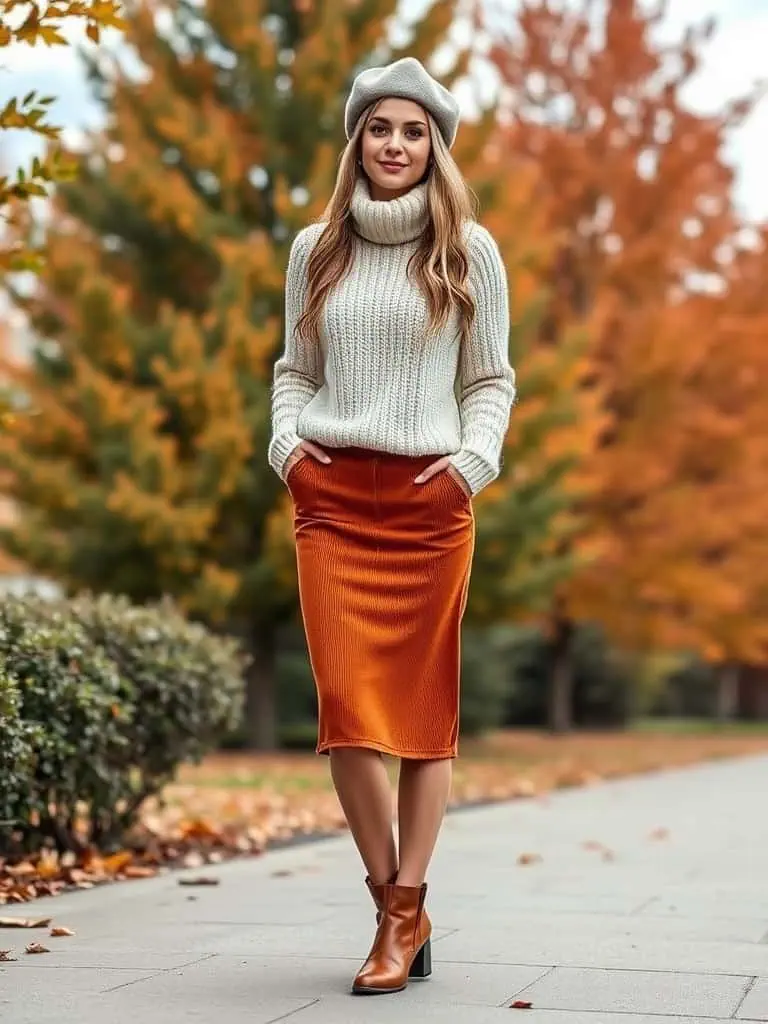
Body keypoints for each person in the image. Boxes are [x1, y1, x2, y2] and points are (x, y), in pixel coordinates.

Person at [267, 56, 516, 996]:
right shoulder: (316, 249)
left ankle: (403, 910)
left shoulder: (468, 251)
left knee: (420, 719)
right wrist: (288, 448)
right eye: (380, 128)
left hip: (428, 506)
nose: (396, 145)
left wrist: (470, 468)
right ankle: (396, 907)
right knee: (347, 712)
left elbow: (490, 379)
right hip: (331, 500)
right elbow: (295, 370)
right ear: (357, 141)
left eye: (414, 131)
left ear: (435, 147)